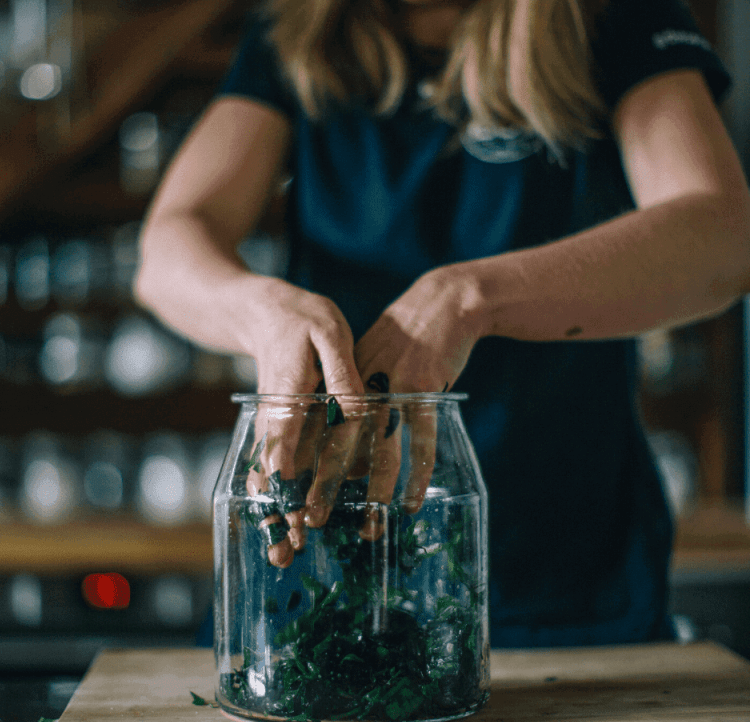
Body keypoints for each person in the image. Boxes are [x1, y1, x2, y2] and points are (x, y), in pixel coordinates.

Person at [135, 0, 750, 648]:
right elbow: (169, 250)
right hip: (315, 571)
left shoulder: (609, 17)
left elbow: (723, 236)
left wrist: (468, 298)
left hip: (558, 574)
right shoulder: (297, 31)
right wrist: (261, 313)